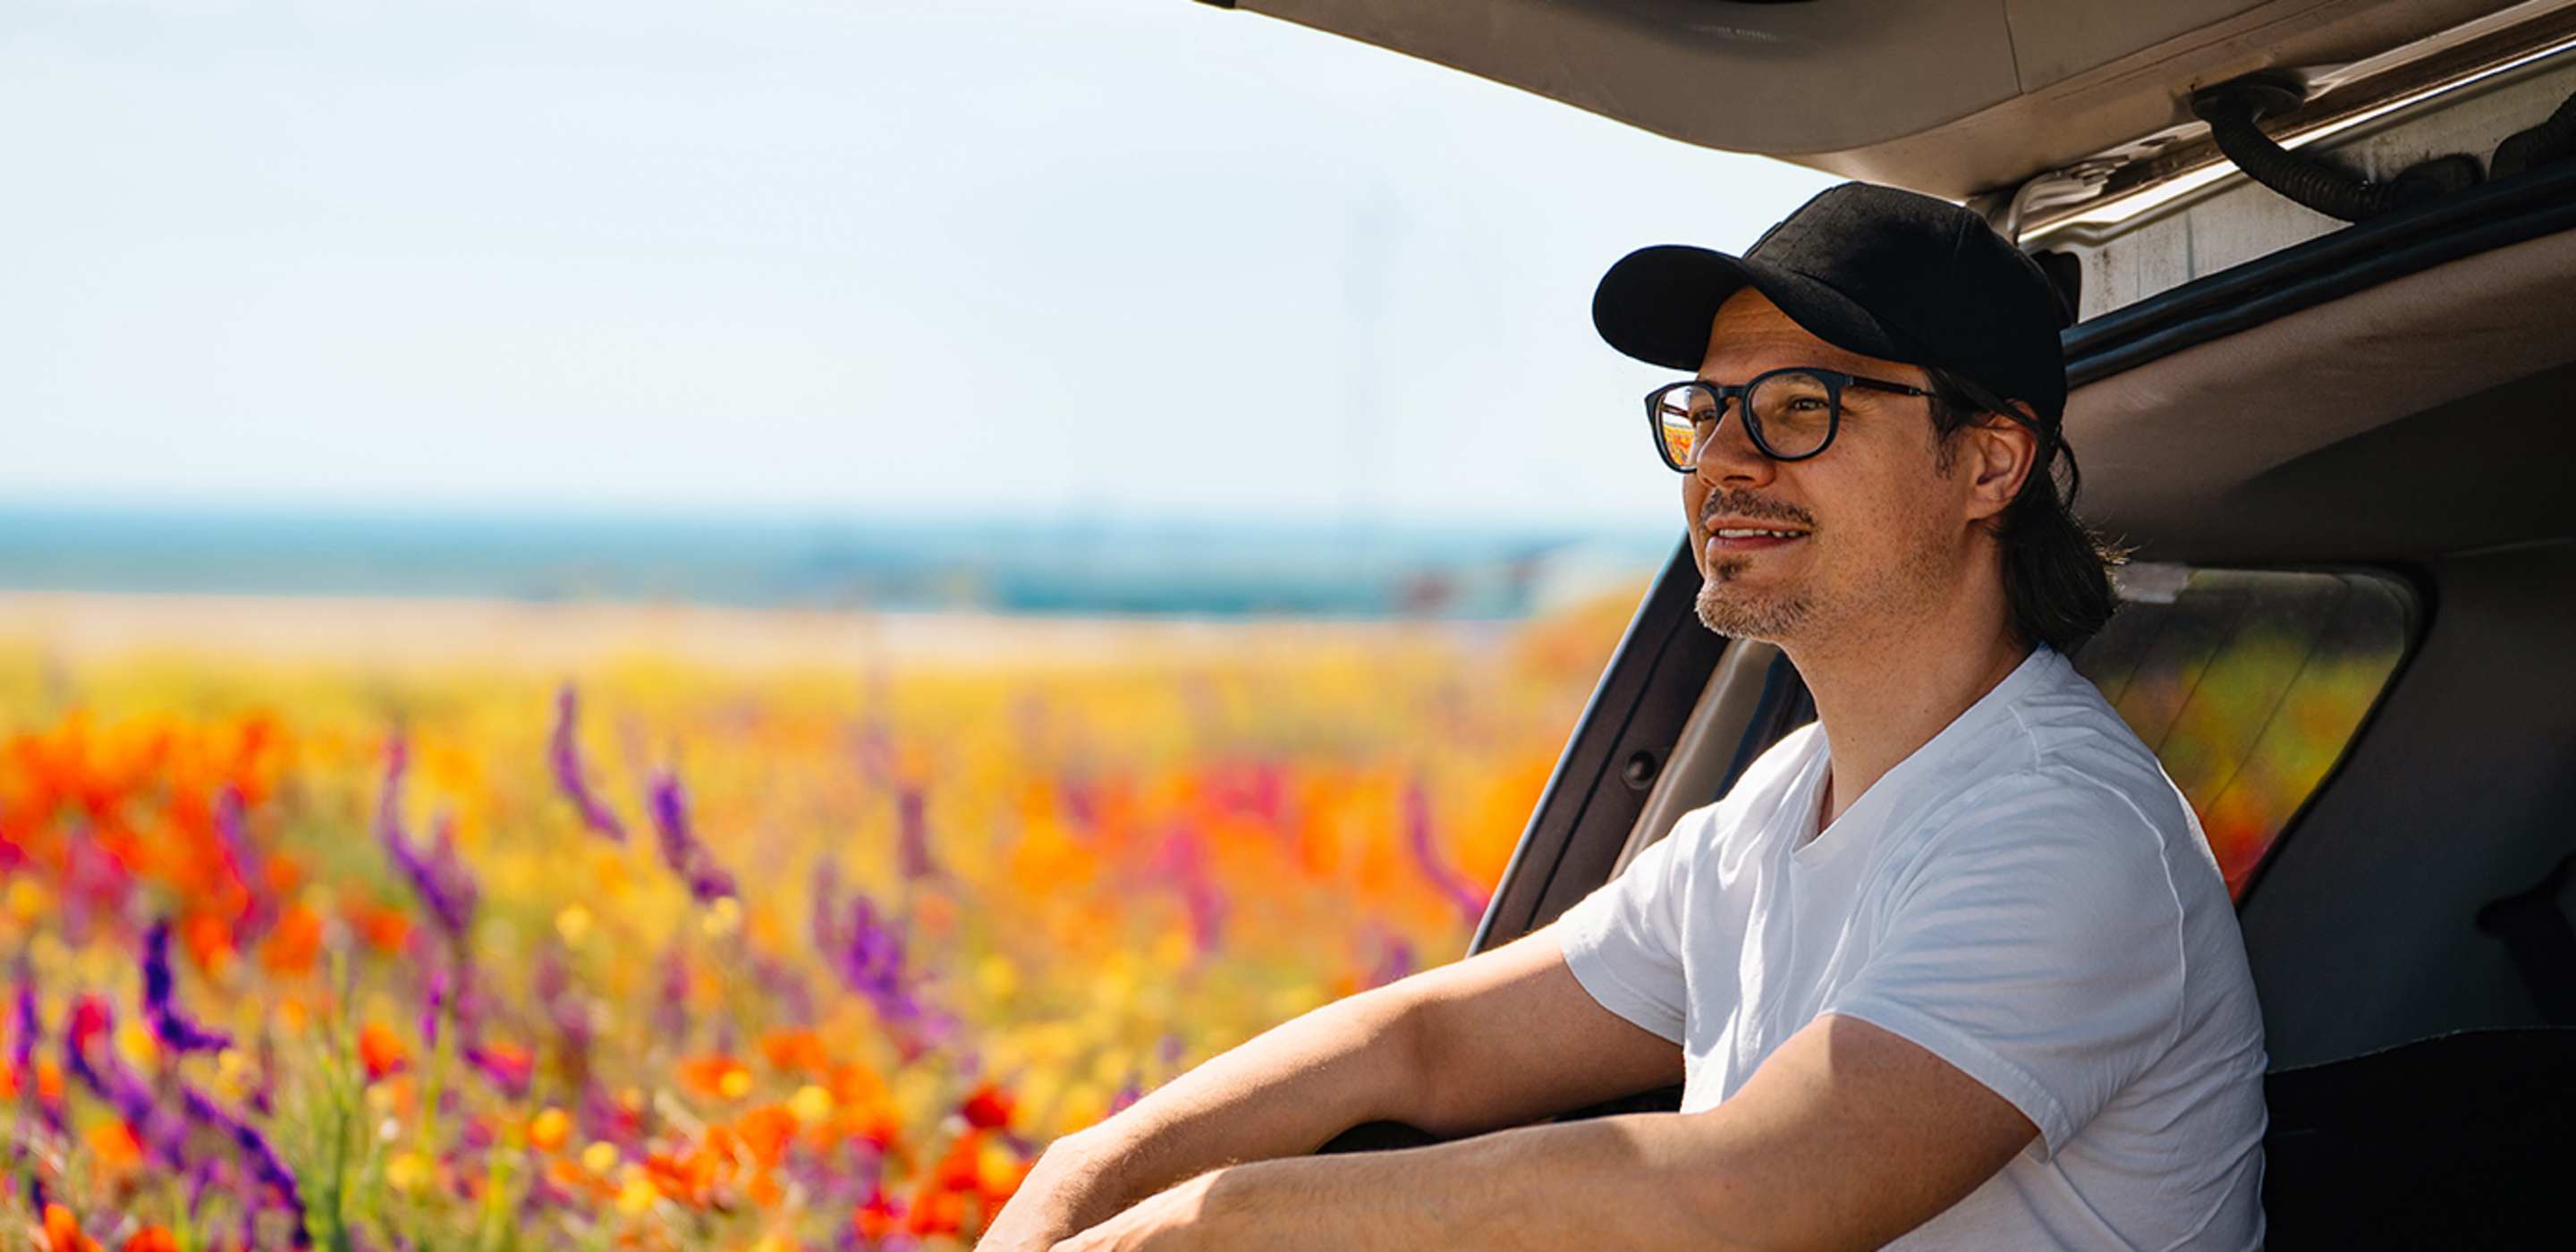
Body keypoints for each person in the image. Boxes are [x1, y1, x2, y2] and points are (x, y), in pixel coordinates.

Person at [980, 182, 2268, 1251]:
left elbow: (1743, 1195)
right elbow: (1423, 1046)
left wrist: (1211, 1228)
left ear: (1989, 461)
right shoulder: (1775, 810)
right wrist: (1087, 1177)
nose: (1723, 459)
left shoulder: (2062, 831)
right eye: (1707, 410)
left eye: (1800, 409)